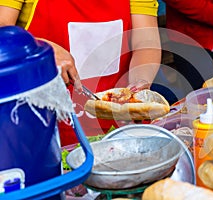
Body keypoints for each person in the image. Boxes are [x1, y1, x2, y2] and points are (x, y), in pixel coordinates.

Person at [0, 0, 161, 146]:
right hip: (46, 125)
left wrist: (139, 84)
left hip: (117, 125)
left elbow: (146, 42)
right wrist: (43, 49)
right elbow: (3, 29)